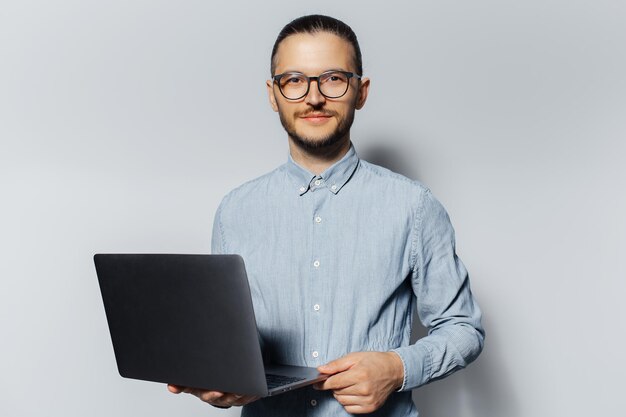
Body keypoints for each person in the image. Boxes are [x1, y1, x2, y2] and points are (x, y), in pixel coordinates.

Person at [168, 14, 484, 416]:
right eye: (294, 80)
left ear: (361, 91)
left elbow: (463, 329)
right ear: (273, 93)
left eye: (333, 78)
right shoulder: (235, 211)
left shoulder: (415, 207)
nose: (313, 97)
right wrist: (222, 377)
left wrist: (397, 368)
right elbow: (230, 337)